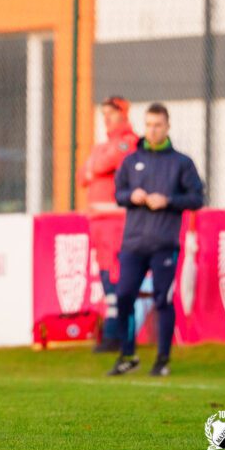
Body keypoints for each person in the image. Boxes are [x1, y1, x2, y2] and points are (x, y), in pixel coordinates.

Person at [108, 103, 203, 378]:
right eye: (149, 124)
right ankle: (128, 355)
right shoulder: (131, 160)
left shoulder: (181, 163)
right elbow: (119, 193)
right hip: (133, 244)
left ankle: (162, 360)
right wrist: (132, 196)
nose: (153, 130)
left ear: (167, 127)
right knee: (124, 296)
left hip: (164, 244)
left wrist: (169, 201)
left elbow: (197, 198)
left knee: (163, 299)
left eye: (158, 125)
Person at [77, 96, 138, 353]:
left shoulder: (128, 142)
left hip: (117, 221)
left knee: (116, 276)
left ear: (123, 114)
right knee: (105, 276)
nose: (106, 118)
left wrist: (95, 167)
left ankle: (119, 333)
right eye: (104, 113)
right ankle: (113, 331)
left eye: (111, 113)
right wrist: (94, 168)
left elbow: (101, 165)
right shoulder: (102, 146)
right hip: (99, 222)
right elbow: (82, 175)